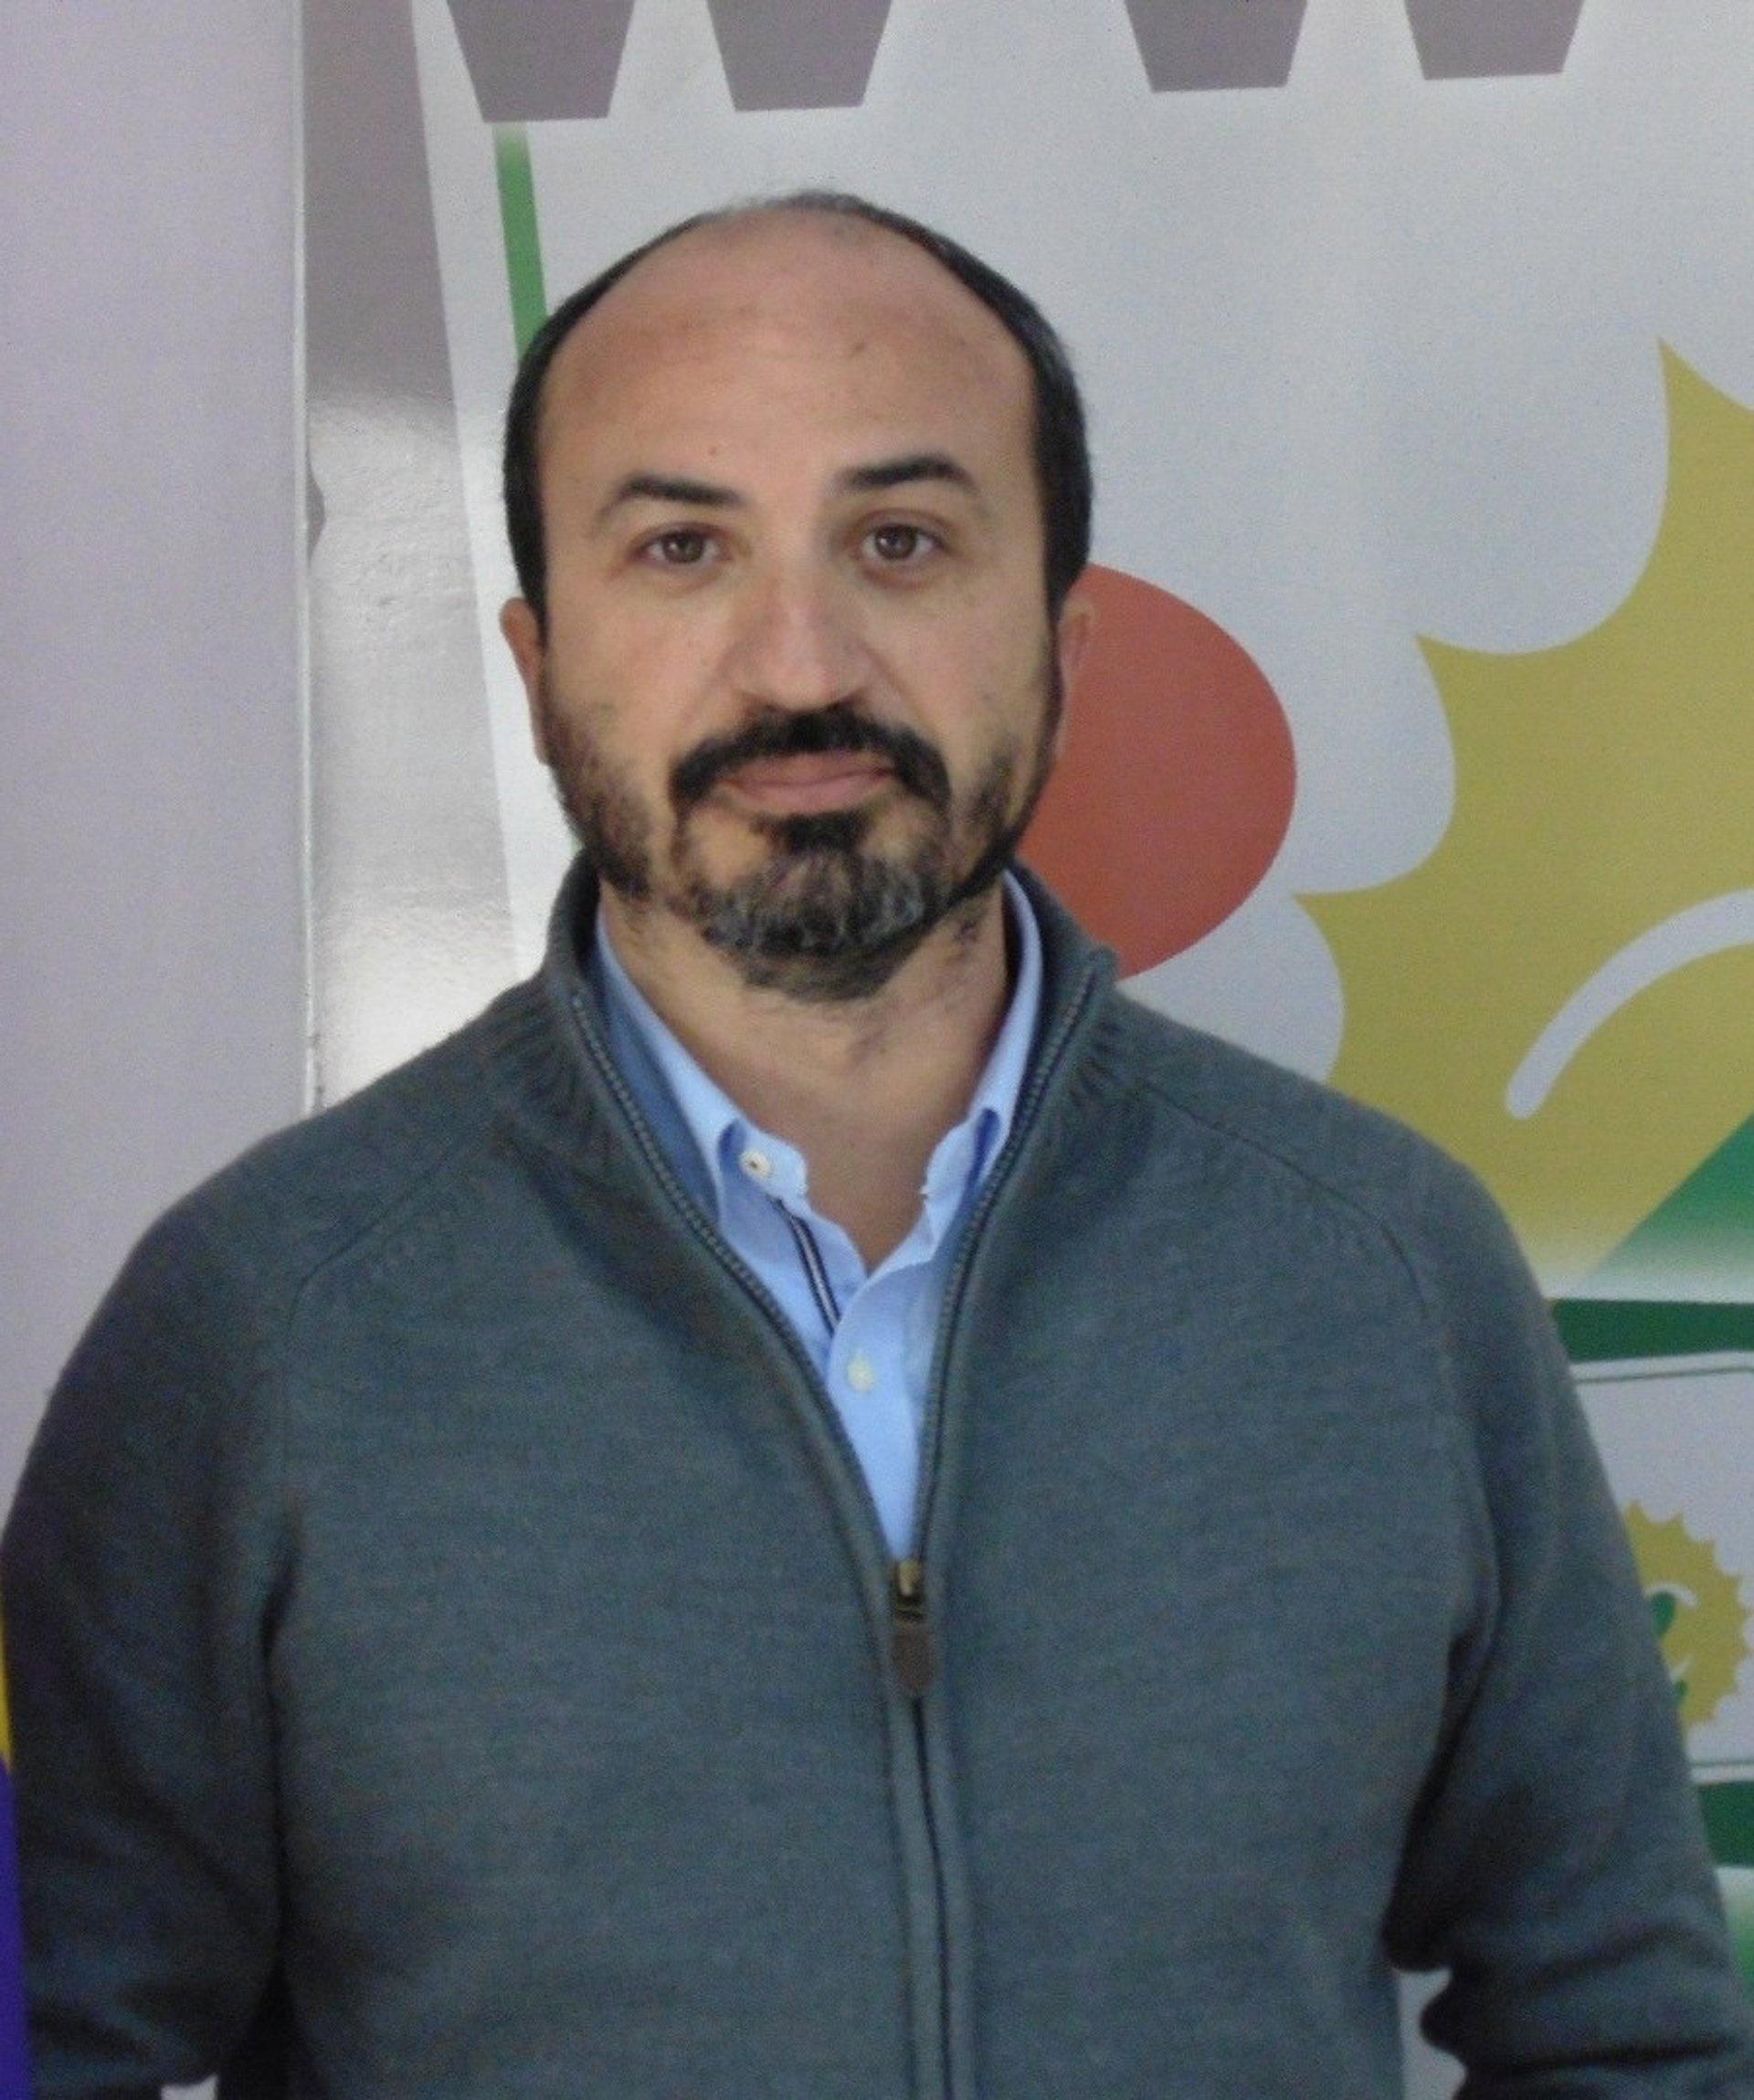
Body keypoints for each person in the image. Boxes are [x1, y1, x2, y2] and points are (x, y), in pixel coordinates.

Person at [4, 191, 1749, 2099]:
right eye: (681, 547)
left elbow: (1626, 2031)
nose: (800, 662)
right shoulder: (259, 1326)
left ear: (1065, 636)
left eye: (901, 540)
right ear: (536, 661)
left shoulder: (1385, 1270)